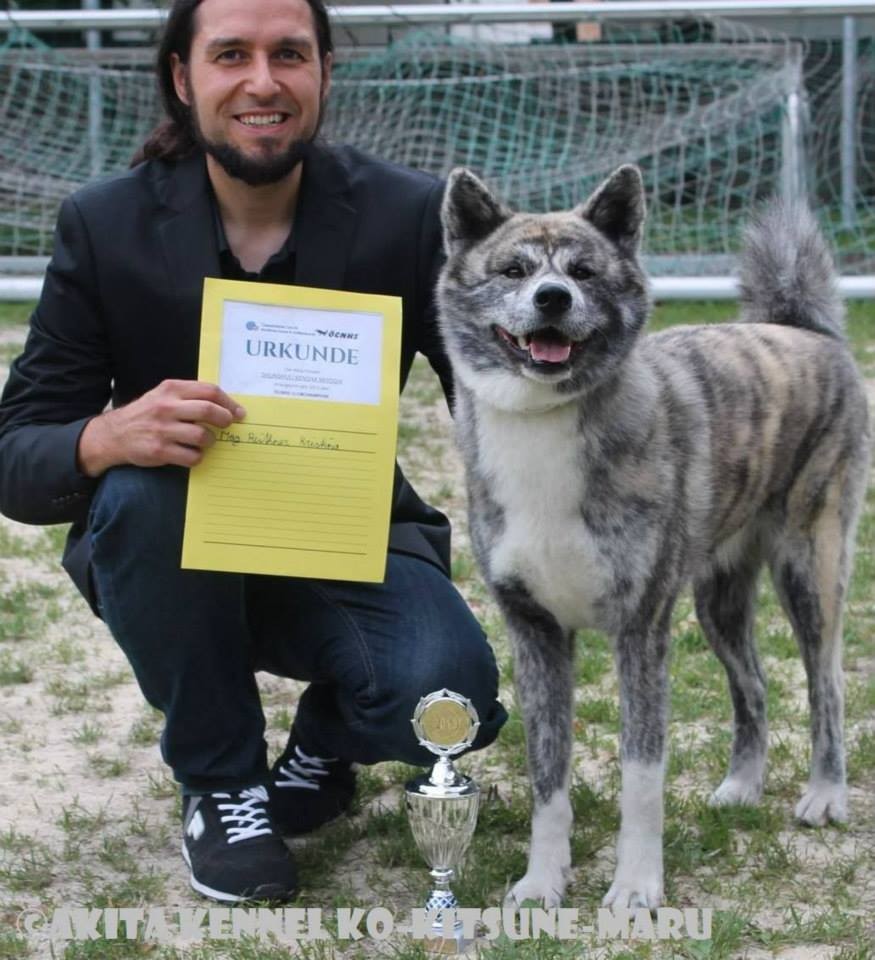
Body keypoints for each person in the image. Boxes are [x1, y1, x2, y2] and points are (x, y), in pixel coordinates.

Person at [0, 0, 506, 904]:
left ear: (324, 72)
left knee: (449, 701)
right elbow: (17, 455)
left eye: (289, 54)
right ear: (182, 76)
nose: (262, 82)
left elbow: (486, 391)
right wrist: (105, 436)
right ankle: (222, 782)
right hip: (171, 553)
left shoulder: (405, 214)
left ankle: (325, 740)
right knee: (145, 491)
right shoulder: (105, 224)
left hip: (343, 535)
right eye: (231, 54)